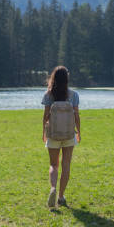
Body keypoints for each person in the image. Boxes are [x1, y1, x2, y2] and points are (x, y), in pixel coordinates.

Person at [42, 65, 81, 208]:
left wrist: (43, 133)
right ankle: (60, 196)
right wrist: (79, 132)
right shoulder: (74, 95)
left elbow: (45, 116)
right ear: (67, 79)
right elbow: (76, 115)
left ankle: (53, 188)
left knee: (53, 164)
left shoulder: (48, 95)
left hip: (53, 134)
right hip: (69, 135)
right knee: (66, 165)